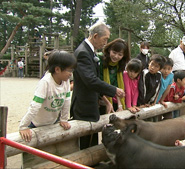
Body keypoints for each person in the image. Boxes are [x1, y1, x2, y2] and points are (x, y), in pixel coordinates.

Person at [71, 22, 125, 150]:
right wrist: (114, 90)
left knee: (92, 138)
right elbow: (90, 80)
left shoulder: (90, 51)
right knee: (86, 142)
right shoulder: (83, 52)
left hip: (91, 103)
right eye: (105, 39)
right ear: (95, 36)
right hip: (84, 105)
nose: (106, 42)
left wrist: (105, 100)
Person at [19, 50, 76, 142]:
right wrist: (23, 126)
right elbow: (35, 105)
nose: (71, 74)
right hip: (36, 123)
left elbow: (67, 101)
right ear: (57, 69)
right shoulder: (45, 83)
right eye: (69, 70)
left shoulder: (65, 82)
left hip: (52, 121)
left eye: (72, 70)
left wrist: (64, 119)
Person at [99, 38, 130, 113]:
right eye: (114, 52)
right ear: (109, 49)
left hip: (112, 97)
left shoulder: (119, 64)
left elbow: (117, 85)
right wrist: (107, 103)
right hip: (99, 97)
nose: (116, 56)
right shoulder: (100, 60)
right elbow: (97, 83)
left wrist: (120, 105)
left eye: (120, 54)